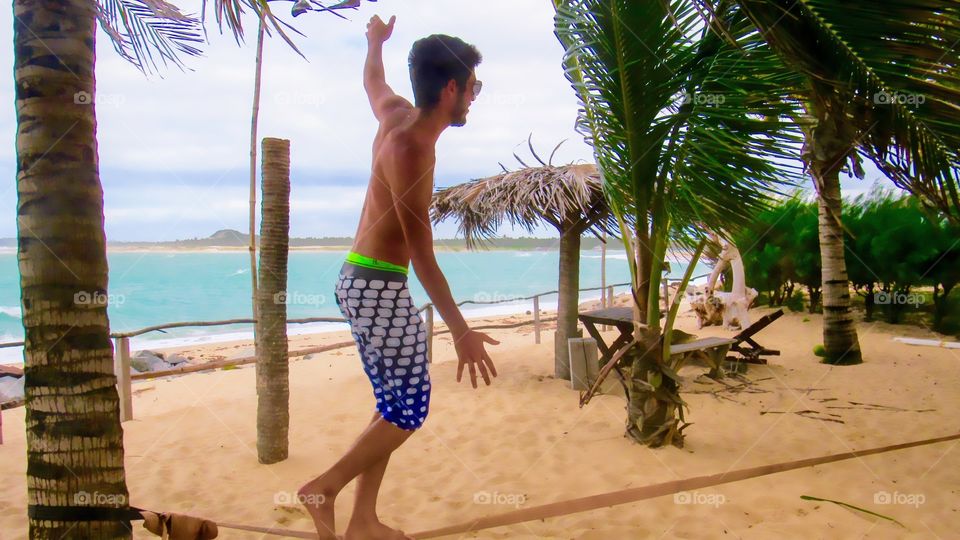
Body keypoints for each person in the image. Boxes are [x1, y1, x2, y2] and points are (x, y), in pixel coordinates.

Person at [297, 15, 500, 540]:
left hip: (360, 282)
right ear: (451, 88)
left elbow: (372, 82)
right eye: (473, 87)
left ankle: (364, 521)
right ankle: (325, 488)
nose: (474, 98)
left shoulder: (395, 115)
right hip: (381, 289)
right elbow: (422, 253)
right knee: (408, 412)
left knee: (391, 405)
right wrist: (461, 330)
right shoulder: (413, 149)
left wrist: (373, 42)